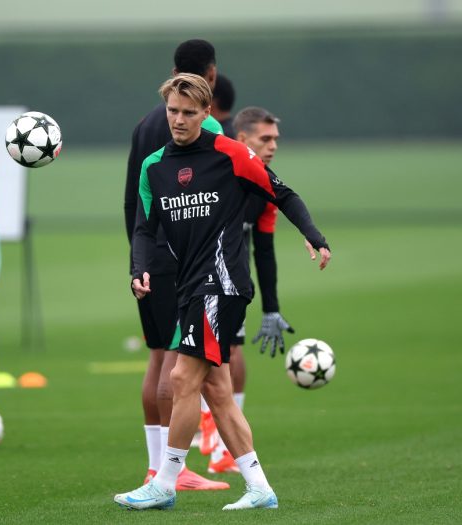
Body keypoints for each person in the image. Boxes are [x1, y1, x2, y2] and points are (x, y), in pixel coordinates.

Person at [114, 73, 331, 511]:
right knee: (216, 390)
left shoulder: (230, 154)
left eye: (189, 112)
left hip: (223, 283)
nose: (178, 119)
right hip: (188, 287)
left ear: (206, 114)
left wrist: (313, 235)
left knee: (180, 378)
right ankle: (259, 488)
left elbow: (281, 193)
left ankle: (164, 483)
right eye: (173, 110)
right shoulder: (153, 167)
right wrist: (139, 268)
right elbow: (143, 228)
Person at [123, 39, 228, 491]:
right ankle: (173, 471)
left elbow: (133, 199)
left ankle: (155, 466)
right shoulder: (205, 128)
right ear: (212, 75)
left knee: (156, 358)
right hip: (182, 261)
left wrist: (137, 259)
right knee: (176, 362)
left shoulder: (147, 123)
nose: (180, 118)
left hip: (148, 259)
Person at [206, 106, 294, 474]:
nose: (273, 145)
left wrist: (272, 308)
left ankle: (222, 441)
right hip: (193, 278)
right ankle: (207, 440)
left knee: (230, 350)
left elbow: (266, 248)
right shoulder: (218, 170)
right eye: (265, 138)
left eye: (275, 139)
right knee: (189, 364)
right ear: (242, 138)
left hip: (232, 281)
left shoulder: (263, 183)